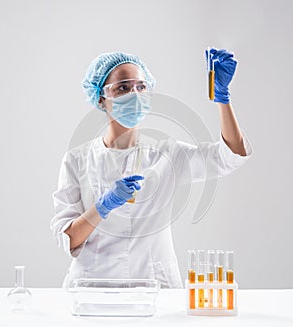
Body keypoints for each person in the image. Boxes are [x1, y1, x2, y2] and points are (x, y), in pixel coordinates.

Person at [50, 50, 252, 288]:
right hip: (93, 289)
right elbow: (69, 238)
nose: (134, 95)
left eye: (141, 87)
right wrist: (103, 206)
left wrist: (222, 98)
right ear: (101, 98)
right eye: (123, 88)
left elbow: (229, 156)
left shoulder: (167, 154)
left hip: (154, 287)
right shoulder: (77, 160)